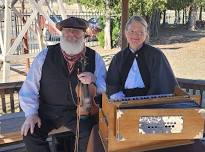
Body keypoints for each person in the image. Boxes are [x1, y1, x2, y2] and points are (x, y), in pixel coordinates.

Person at [19, 17, 106, 152]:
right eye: (67, 31)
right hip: (47, 112)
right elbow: (29, 88)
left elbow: (105, 86)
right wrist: (31, 114)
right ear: (62, 33)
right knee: (30, 134)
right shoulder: (45, 55)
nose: (72, 34)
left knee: (89, 132)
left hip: (77, 112)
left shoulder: (95, 57)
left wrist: (94, 79)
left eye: (77, 32)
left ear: (84, 35)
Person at [106, 15, 178, 99]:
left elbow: (161, 84)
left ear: (146, 34)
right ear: (126, 33)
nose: (136, 35)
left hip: (151, 102)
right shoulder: (118, 58)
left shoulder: (156, 55)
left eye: (141, 32)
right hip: (123, 102)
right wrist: (121, 100)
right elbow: (112, 84)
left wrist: (147, 103)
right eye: (132, 31)